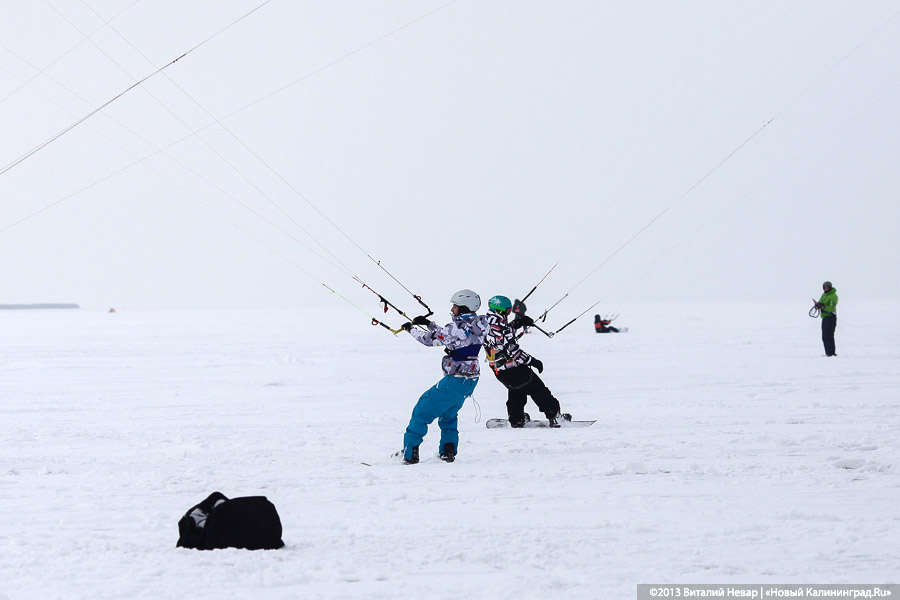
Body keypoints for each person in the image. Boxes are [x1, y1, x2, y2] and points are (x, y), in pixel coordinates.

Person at [397, 289, 488, 464]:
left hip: (455, 379)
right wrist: (429, 323)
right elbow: (450, 336)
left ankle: (409, 454)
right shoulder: (478, 324)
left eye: (455, 306)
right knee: (448, 413)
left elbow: (428, 340)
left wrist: (410, 329)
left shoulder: (456, 328)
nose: (452, 309)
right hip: (470, 379)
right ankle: (448, 451)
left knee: (421, 411)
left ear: (463, 307)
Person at [483, 295, 570, 428]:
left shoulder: (488, 324)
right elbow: (513, 350)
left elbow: (500, 337)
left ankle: (516, 419)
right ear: (501, 310)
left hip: (500, 371)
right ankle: (555, 416)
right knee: (538, 389)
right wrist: (533, 361)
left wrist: (517, 323)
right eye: (507, 310)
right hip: (514, 369)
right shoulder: (502, 328)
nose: (509, 313)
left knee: (517, 390)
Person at [814, 281, 838, 356]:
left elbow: (831, 307)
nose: (826, 289)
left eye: (827, 287)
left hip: (831, 317)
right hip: (825, 317)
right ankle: (827, 353)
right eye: (824, 287)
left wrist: (823, 307)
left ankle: (832, 353)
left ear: (830, 287)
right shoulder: (824, 295)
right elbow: (821, 303)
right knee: (824, 336)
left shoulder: (833, 296)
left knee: (829, 335)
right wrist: (817, 305)